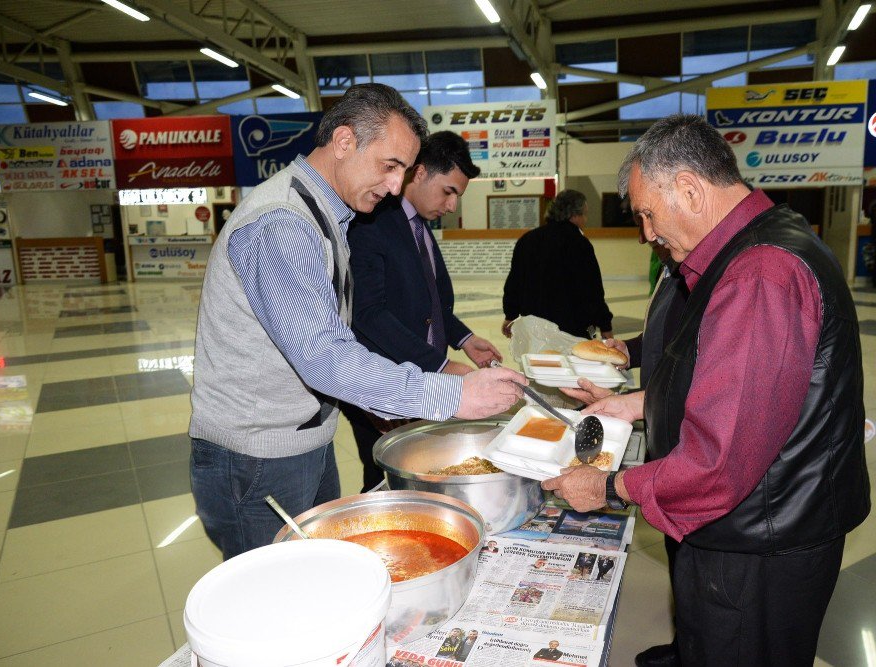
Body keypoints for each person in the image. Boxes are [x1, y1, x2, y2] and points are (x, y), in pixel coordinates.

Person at [542, 114, 870, 667]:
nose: (647, 233)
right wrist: (635, 403)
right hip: (759, 517)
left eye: (648, 213)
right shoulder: (756, 244)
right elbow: (727, 384)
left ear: (691, 190)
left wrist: (609, 487)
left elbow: (718, 460)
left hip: (760, 540)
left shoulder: (760, 274)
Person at [189, 84, 524, 561]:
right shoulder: (283, 222)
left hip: (305, 438)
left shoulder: (329, 216)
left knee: (317, 574)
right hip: (257, 457)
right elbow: (324, 356)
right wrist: (451, 392)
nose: (394, 186)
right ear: (344, 142)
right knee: (275, 600)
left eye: (403, 172)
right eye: (389, 166)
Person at [341, 131, 503, 491]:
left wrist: (464, 339)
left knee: (421, 471)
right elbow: (367, 313)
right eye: (449, 192)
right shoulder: (374, 223)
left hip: (421, 378)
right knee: (386, 475)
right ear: (421, 173)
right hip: (383, 385)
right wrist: (441, 365)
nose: (452, 206)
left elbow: (430, 301)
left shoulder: (420, 228)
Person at [502, 189, 613, 339]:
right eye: (584, 214)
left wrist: (510, 315)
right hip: (572, 329)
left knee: (537, 362)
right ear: (574, 215)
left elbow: (514, 282)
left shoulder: (528, 239)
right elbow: (592, 290)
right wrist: (605, 325)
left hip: (534, 329)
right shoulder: (579, 243)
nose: (585, 220)